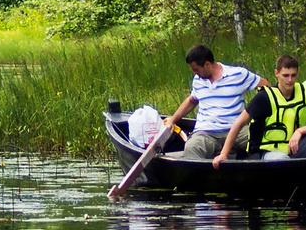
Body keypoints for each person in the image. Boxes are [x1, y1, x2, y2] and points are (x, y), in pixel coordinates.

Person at [107, 44, 260, 199]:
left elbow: (266, 90)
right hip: (206, 132)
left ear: (207, 64)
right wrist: (173, 119)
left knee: (260, 140)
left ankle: (256, 175)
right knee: (192, 150)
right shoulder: (198, 81)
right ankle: (203, 189)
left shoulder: (238, 75)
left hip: (237, 129)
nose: (194, 73)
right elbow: (192, 100)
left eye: (196, 69)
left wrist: (256, 115)